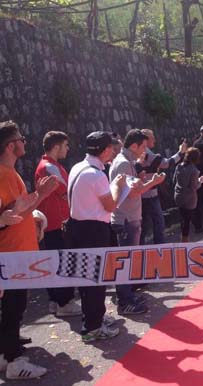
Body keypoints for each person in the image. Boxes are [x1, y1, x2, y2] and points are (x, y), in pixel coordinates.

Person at [0, 121, 58, 379]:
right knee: (13, 308)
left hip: (16, 253)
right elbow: (13, 213)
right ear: (10, 146)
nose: (25, 142)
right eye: (21, 139)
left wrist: (33, 209)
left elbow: (18, 209)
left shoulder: (9, 173)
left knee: (13, 308)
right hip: (11, 255)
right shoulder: (3, 175)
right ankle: (14, 361)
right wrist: (42, 194)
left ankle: (6, 354)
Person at [68, 131, 126, 342]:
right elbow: (111, 205)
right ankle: (93, 327)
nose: (113, 151)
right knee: (96, 280)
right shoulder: (96, 175)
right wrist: (118, 186)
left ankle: (93, 319)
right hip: (94, 231)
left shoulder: (77, 167)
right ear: (105, 150)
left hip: (77, 228)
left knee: (87, 280)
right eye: (111, 147)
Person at [109, 129, 165, 315]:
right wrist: (153, 183)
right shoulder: (124, 163)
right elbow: (132, 193)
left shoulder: (126, 162)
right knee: (125, 262)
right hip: (126, 219)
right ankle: (125, 301)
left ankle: (128, 296)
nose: (145, 151)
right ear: (134, 146)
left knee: (127, 260)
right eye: (143, 147)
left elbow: (131, 189)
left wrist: (144, 182)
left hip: (129, 217)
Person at [34, 131, 81, 317]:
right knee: (63, 262)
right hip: (57, 223)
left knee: (54, 262)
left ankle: (55, 301)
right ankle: (64, 303)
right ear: (56, 147)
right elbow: (65, 192)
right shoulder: (50, 167)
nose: (68, 149)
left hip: (52, 223)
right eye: (65, 145)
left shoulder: (48, 165)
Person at [138, 129, 187, 245]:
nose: (155, 140)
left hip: (145, 193)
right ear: (145, 140)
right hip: (149, 194)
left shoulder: (143, 152)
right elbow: (166, 163)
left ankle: (141, 247)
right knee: (158, 223)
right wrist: (180, 153)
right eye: (152, 138)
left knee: (144, 225)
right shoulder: (147, 153)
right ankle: (159, 247)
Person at [173, 148, 203, 243]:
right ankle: (185, 240)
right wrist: (200, 181)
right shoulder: (194, 170)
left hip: (178, 195)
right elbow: (194, 187)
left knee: (182, 217)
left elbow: (174, 180)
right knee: (187, 219)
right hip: (189, 198)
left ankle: (183, 237)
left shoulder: (179, 166)